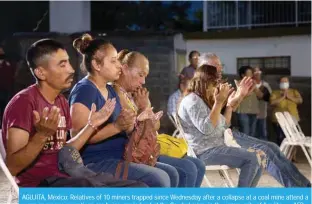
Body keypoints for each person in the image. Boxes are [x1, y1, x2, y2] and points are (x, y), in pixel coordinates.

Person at [1, 39, 146, 187]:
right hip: (40, 185)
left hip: (68, 172)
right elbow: (12, 167)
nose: (71, 70)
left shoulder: (61, 101)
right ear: (41, 72)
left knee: (138, 188)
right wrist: (41, 136)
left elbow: (64, 151)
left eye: (69, 63)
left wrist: (90, 126)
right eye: (62, 65)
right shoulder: (23, 103)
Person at [178, 52, 311, 187]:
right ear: (204, 71)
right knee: (262, 152)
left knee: (271, 147)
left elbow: (223, 121)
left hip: (222, 136)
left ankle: (303, 187)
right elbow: (209, 126)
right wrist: (226, 101)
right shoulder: (196, 98)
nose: (220, 69)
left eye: (220, 65)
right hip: (212, 145)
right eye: (216, 65)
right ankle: (298, 190)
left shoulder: (206, 94)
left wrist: (237, 98)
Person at [69, 34, 173, 187]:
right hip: (96, 162)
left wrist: (140, 119)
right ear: (97, 65)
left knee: (173, 173)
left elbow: (125, 127)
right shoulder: (85, 90)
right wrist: (116, 127)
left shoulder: (109, 91)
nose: (119, 65)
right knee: (160, 179)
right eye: (113, 61)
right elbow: (77, 135)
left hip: (120, 156)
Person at [115, 49, 205, 187]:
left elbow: (155, 126)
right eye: (140, 75)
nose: (143, 81)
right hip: (134, 151)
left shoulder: (135, 93)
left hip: (146, 145)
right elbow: (129, 128)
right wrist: (143, 111)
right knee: (187, 169)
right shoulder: (116, 92)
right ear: (125, 69)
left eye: (145, 76)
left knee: (197, 165)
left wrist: (147, 113)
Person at [270, 76, 303, 146]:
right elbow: (272, 102)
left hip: (292, 119)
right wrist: (282, 97)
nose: (284, 83)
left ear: (288, 83)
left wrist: (289, 96)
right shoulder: (275, 92)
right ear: (279, 83)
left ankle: (292, 156)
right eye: (282, 82)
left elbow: (300, 101)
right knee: (281, 138)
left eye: (285, 81)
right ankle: (281, 153)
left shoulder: (294, 91)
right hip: (278, 120)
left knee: (293, 138)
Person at [235, 66, 260, 137]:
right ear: (243, 75)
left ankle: (252, 148)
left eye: (251, 74)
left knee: (253, 134)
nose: (250, 76)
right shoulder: (239, 83)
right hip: (243, 112)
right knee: (245, 133)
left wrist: (256, 87)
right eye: (248, 74)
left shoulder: (253, 83)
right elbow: (244, 95)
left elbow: (260, 96)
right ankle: (245, 148)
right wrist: (253, 87)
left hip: (254, 111)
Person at [253, 67, 272, 140]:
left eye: (259, 71)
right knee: (252, 135)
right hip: (250, 113)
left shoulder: (265, 85)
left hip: (262, 114)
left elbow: (269, 97)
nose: (257, 73)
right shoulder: (249, 84)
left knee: (263, 134)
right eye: (255, 71)